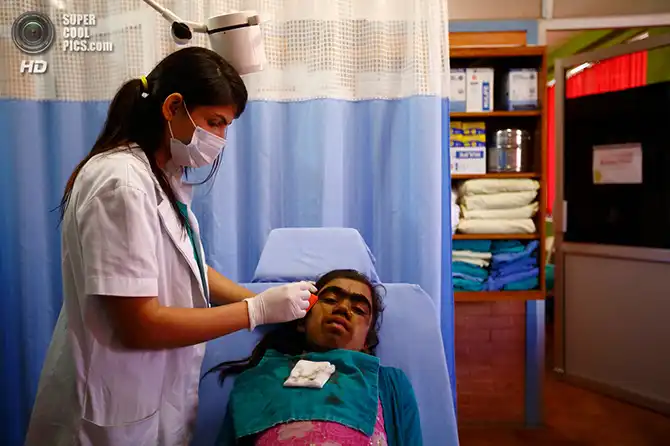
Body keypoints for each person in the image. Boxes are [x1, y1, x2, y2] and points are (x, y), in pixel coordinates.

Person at [24, 47, 317, 446]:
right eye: (214, 122)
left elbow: (186, 266)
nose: (220, 139)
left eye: (226, 127)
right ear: (173, 107)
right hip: (106, 413)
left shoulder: (162, 176)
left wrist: (258, 303)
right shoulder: (122, 184)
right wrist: (256, 311)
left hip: (149, 400)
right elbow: (139, 324)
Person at [208, 269, 423, 446]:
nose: (342, 308)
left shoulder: (389, 384)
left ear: (366, 342)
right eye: (330, 299)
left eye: (358, 309)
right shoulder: (257, 380)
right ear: (302, 321)